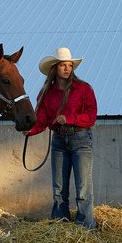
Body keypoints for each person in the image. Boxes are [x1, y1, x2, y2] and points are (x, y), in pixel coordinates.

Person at [25, 47, 98, 229]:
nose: (67, 68)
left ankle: (85, 228)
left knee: (83, 189)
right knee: (59, 190)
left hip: (80, 140)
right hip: (58, 141)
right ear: (54, 68)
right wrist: (30, 130)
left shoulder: (83, 89)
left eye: (69, 65)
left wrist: (70, 118)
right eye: (63, 65)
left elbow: (91, 116)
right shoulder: (45, 94)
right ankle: (60, 227)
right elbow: (41, 119)